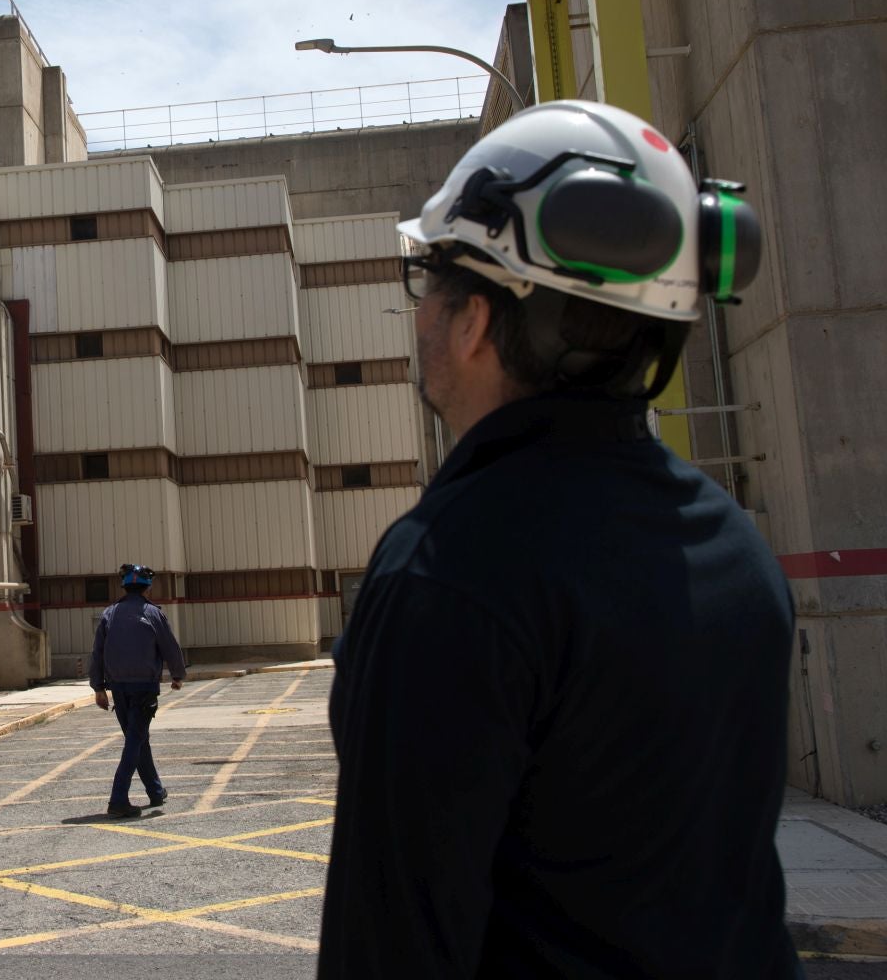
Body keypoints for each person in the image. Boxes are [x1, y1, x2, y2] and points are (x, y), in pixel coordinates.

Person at [318, 100, 801, 977]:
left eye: (430, 276)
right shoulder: (737, 550)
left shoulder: (448, 576)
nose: (420, 310)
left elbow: (390, 944)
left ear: (472, 322)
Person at [88, 563, 187, 819]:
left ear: (124, 585)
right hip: (143, 687)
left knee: (138, 738)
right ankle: (118, 799)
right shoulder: (153, 614)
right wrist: (177, 676)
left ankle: (155, 791)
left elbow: (97, 652)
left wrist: (98, 688)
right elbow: (170, 646)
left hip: (118, 688)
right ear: (148, 587)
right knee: (135, 741)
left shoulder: (109, 613)